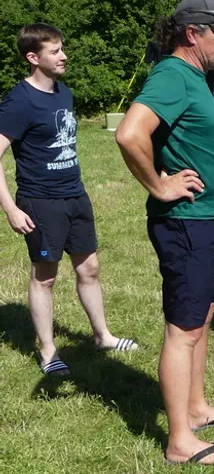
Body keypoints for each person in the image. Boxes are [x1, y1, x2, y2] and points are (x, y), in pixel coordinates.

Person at [115, 0, 214, 465]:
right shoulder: (172, 74)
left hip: (205, 220)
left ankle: (196, 407)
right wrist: (160, 185)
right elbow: (129, 133)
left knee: (201, 318)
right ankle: (178, 440)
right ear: (193, 33)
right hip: (186, 224)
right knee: (183, 330)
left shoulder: (193, 77)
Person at [0, 23, 139, 377]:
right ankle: (48, 352)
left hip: (75, 194)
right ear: (33, 58)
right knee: (45, 277)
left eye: (62, 48)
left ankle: (103, 336)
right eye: (55, 51)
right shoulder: (19, 101)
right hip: (41, 201)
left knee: (89, 268)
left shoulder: (64, 93)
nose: (64, 56)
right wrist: (11, 209)